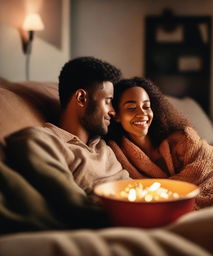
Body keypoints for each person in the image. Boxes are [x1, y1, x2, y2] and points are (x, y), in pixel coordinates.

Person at [2, 56, 130, 231]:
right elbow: (77, 208)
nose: (113, 112)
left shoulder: (102, 145)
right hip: (116, 224)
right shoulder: (42, 140)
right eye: (107, 101)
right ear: (82, 98)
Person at [105, 77, 213, 209]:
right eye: (131, 108)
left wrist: (168, 192)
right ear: (116, 115)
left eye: (146, 106)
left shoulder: (181, 137)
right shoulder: (116, 152)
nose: (142, 113)